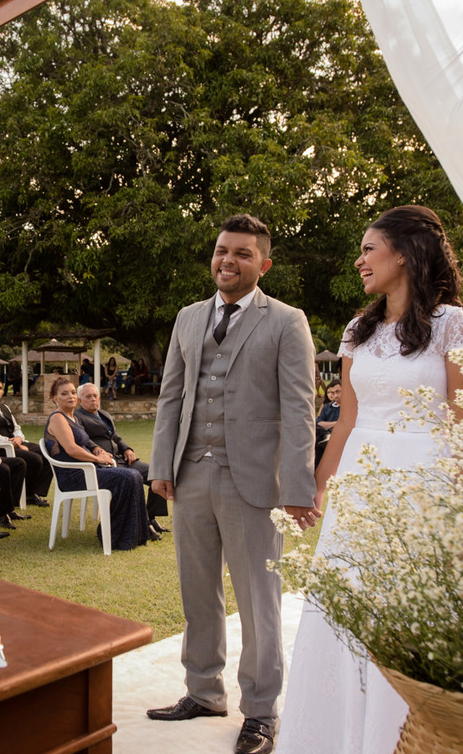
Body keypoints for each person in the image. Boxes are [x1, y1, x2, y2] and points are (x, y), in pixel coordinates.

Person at [276, 206, 463, 753]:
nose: (359, 260)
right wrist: (316, 487)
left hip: (429, 484)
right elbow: (346, 422)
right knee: (351, 604)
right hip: (362, 486)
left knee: (415, 608)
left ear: (405, 253)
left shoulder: (453, 325)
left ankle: (415, 735)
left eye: (369, 249)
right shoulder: (356, 330)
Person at [145, 214, 318, 754]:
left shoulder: (287, 321)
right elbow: (171, 396)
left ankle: (261, 711)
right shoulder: (188, 317)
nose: (228, 260)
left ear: (263, 264)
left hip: (255, 483)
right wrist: (161, 466)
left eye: (242, 254)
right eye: (222, 251)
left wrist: (298, 486)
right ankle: (203, 691)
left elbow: (299, 407)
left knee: (258, 600)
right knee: (198, 591)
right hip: (192, 474)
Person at [44, 377, 158, 549]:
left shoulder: (73, 417)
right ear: (55, 398)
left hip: (88, 470)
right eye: (64, 393)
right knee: (130, 476)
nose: (71, 396)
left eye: (73, 392)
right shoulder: (58, 418)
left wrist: (97, 450)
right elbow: (72, 449)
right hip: (74, 475)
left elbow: (86, 443)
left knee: (132, 476)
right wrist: (98, 459)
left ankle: (136, 533)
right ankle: (112, 534)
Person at [74, 381, 169, 535]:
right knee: (134, 479)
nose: (93, 399)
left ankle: (150, 517)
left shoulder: (104, 415)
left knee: (156, 473)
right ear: (80, 400)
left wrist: (127, 448)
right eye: (88, 397)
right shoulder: (77, 417)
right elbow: (83, 438)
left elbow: (116, 437)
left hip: (123, 459)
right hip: (107, 464)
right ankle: (143, 524)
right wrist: (95, 448)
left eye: (95, 396)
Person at [0, 375, 52, 509]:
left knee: (46, 452)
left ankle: (33, 493)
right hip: (0, 447)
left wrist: (19, 438)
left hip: (15, 442)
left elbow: (17, 428)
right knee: (35, 459)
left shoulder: (4, 408)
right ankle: (24, 496)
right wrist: (17, 444)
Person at [314, 378, 342, 467]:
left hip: (338, 434)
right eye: (333, 393)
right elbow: (318, 423)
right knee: (313, 426)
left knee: (318, 439)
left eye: (338, 392)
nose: (335, 395)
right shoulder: (327, 407)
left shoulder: (346, 408)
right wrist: (337, 422)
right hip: (323, 434)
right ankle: (326, 435)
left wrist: (327, 424)